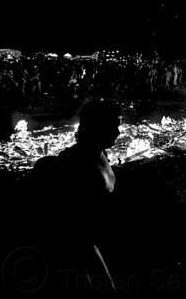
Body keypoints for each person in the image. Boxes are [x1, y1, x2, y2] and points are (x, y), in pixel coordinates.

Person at [27, 99, 122, 292]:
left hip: (99, 243)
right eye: (113, 126)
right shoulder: (76, 164)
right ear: (97, 127)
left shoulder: (100, 153)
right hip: (80, 250)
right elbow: (71, 226)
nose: (118, 132)